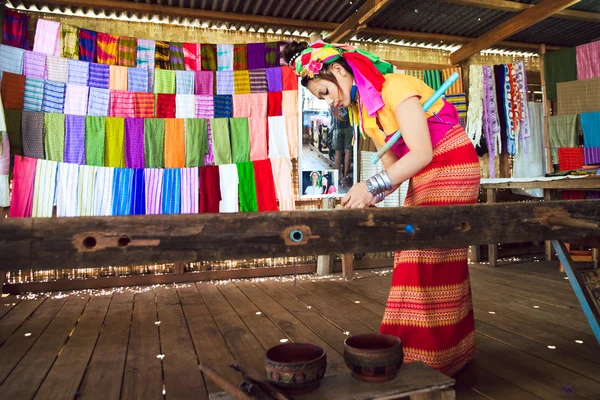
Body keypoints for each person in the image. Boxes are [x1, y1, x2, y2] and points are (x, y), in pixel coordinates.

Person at [284, 41, 480, 377]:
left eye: (326, 91)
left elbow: (421, 154)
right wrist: (368, 196)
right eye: (321, 98)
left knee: (424, 257)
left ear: (341, 71)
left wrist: (371, 186)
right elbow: (395, 169)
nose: (329, 100)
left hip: (451, 164)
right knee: (416, 256)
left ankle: (428, 359)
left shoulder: (396, 88)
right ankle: (437, 351)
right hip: (427, 173)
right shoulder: (368, 117)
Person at [333, 108, 353, 185]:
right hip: (349, 126)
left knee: (337, 153)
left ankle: (337, 177)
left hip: (337, 127)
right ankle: (345, 176)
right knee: (348, 151)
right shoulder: (347, 97)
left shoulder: (333, 99)